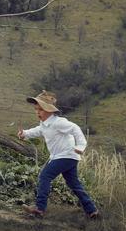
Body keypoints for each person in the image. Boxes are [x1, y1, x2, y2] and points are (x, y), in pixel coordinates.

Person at [18, 90, 99, 219]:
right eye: (36, 109)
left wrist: (81, 146)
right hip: (67, 157)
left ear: (49, 111)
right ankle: (92, 211)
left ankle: (39, 208)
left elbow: (75, 128)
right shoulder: (45, 124)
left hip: (66, 155)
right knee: (74, 184)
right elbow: (38, 130)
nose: (37, 112)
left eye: (41, 110)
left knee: (45, 176)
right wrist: (25, 134)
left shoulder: (58, 122)